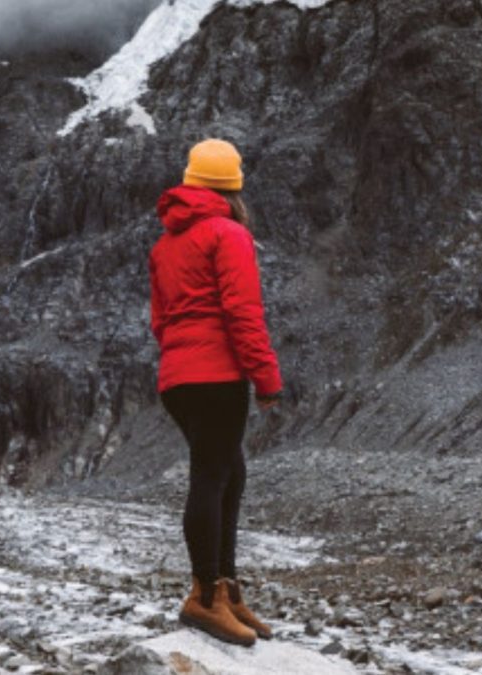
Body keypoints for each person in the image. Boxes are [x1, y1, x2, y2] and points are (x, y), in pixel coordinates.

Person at [148, 138, 283, 647]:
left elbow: (161, 320)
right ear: (232, 189)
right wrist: (266, 380)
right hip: (218, 374)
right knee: (212, 475)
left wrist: (184, 359)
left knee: (229, 471)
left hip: (178, 378)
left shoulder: (164, 244)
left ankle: (225, 590)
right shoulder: (228, 233)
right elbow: (243, 313)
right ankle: (204, 600)